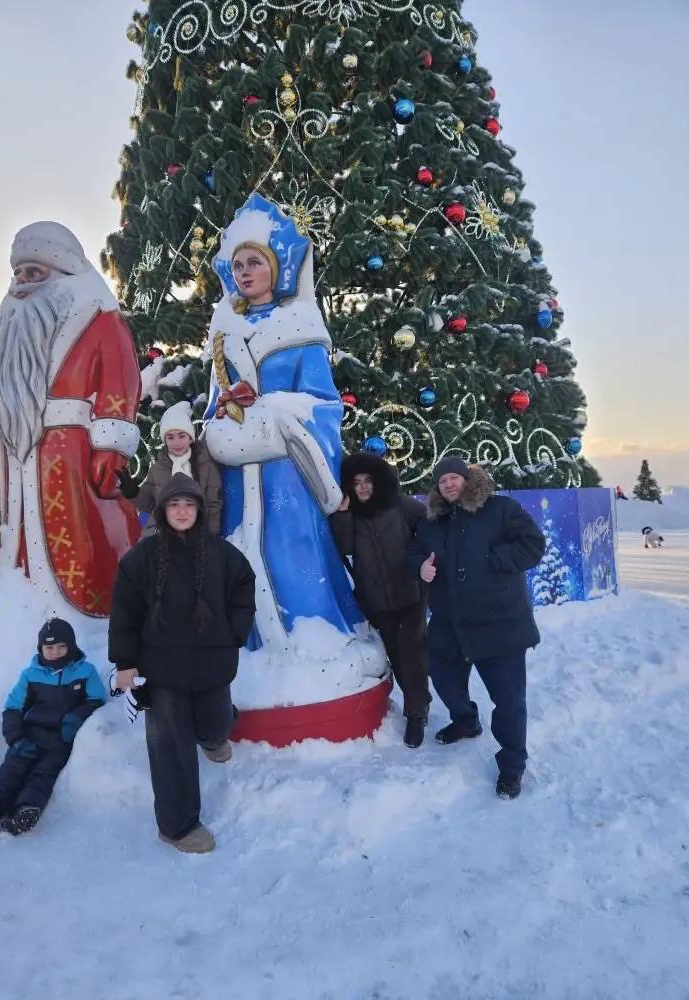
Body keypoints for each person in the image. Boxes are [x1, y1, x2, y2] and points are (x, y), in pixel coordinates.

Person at [201, 193, 385, 683]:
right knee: (239, 552)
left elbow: (324, 405)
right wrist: (219, 418)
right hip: (239, 470)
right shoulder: (223, 333)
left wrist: (274, 412)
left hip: (288, 470)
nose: (245, 271)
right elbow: (211, 401)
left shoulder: (301, 325)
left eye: (254, 261)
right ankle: (252, 648)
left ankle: (317, 632)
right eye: (237, 264)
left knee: (295, 550)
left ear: (276, 266)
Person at [0, 221, 142, 616]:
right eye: (18, 273)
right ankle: (25, 611)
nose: (22, 282)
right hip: (18, 453)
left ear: (63, 273)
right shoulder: (8, 330)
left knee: (83, 529)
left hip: (73, 449)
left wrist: (110, 445)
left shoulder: (99, 319)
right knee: (21, 534)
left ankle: (90, 614)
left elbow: (119, 380)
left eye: (34, 272)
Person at [108, 474, 256, 854]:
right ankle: (177, 827)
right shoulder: (141, 558)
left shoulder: (222, 553)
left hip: (212, 662)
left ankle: (213, 737)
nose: (182, 511)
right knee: (170, 747)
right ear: (163, 510)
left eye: (189, 504)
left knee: (215, 722)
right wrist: (126, 662)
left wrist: (234, 632)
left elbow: (244, 586)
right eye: (174, 504)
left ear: (199, 510)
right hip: (161, 669)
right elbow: (124, 611)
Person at [406, 458, 545, 799]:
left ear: (467, 479)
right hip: (450, 624)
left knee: (509, 701)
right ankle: (467, 722)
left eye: (454, 478)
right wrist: (419, 566)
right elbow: (413, 553)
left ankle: (512, 766)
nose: (449, 485)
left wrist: (494, 561)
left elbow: (533, 544)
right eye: (442, 481)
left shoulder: (500, 508)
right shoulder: (432, 522)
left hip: (500, 624)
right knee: (444, 680)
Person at [0, 618, 106, 837]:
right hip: (29, 735)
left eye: (61, 646)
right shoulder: (30, 674)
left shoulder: (85, 672)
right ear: (41, 648)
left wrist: (75, 719)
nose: (55, 652)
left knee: (43, 774)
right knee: (11, 769)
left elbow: (97, 699)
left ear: (71, 646)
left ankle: (26, 811)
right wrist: (16, 738)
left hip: (60, 739)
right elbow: (12, 707)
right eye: (49, 647)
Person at [330, 453, 430, 748]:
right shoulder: (351, 514)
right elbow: (345, 546)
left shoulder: (399, 504)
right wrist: (344, 515)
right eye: (356, 482)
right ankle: (418, 700)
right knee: (396, 655)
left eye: (367, 481)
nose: (362, 487)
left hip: (410, 591)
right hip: (376, 598)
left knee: (411, 649)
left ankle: (416, 712)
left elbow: (427, 525)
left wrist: (417, 557)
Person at [127, 400, 222, 535]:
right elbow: (147, 503)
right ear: (165, 440)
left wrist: (211, 539)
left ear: (190, 438)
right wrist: (133, 493)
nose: (176, 442)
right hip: (161, 535)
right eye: (170, 437)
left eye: (181, 436)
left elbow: (213, 505)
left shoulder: (205, 465)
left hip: (196, 537)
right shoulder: (159, 467)